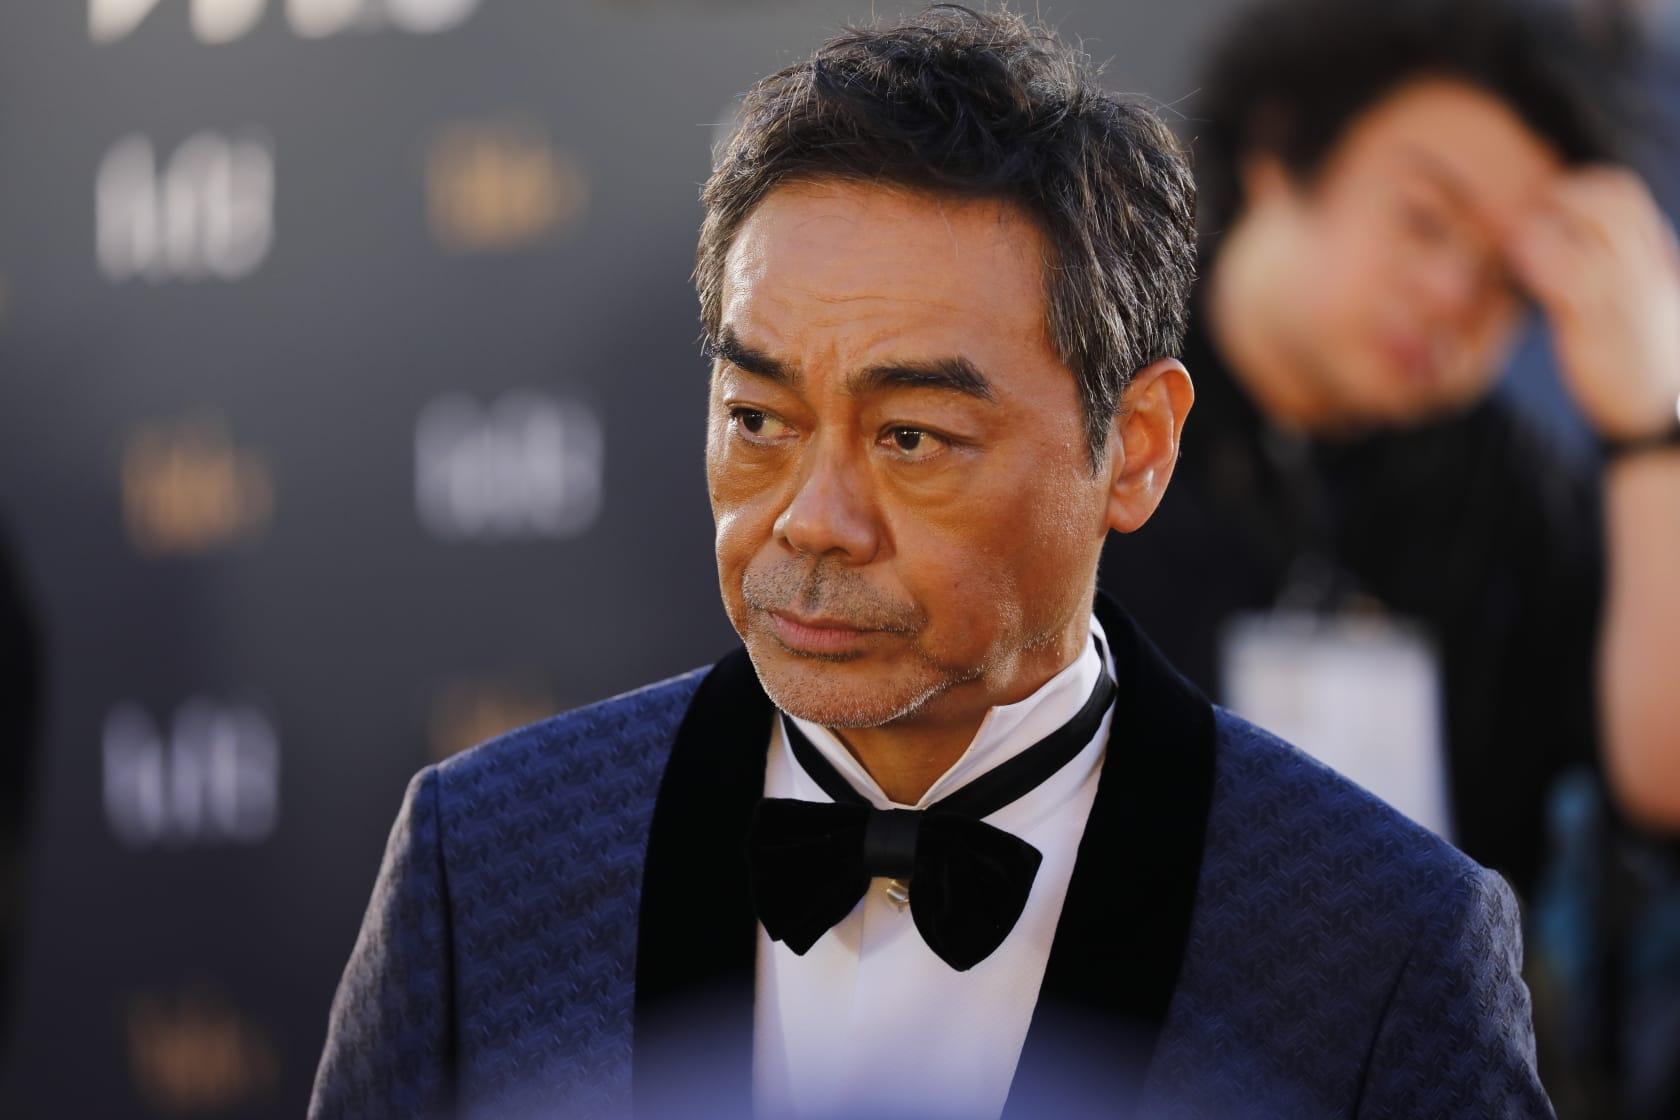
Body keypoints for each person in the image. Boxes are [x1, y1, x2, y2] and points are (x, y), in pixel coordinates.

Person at [310, 8, 1552, 1118]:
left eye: (911, 436)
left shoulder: (1383, 942)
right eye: (758, 419)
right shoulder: (484, 861)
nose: (813, 520)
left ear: (1135, 448)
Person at [1099, 0, 1680, 904]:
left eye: (1507, 278)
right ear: (1278, 151)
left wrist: (1648, 429)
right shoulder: (1090, 392)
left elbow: (1665, 784)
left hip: (1427, 989)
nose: (1454, 294)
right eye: (1425, 220)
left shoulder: (1512, 491)